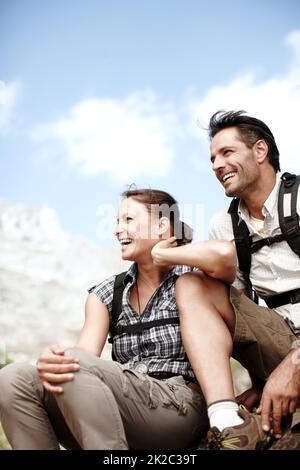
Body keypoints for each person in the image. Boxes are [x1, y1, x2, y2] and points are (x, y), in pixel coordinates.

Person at [0, 188, 235, 450]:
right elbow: (83, 357)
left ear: (161, 226)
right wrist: (55, 362)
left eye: (128, 220)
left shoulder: (194, 278)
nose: (117, 230)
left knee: (74, 364)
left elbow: (225, 256)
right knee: (14, 378)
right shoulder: (105, 294)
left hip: (179, 404)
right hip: (122, 404)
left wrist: (163, 255)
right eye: (117, 222)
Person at [152, 111, 300, 450]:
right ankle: (225, 418)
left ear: (260, 151)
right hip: (281, 337)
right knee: (192, 284)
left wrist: (294, 364)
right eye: (212, 158)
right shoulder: (225, 225)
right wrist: (264, 380)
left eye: (227, 152)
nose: (216, 165)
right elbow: (241, 316)